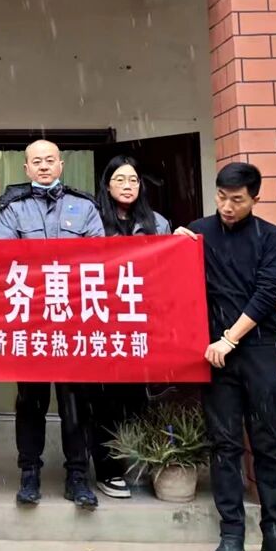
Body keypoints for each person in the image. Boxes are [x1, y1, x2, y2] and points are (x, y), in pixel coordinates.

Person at [174, 162, 276, 551]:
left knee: (268, 443)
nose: (227, 207)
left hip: (259, 349)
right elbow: (174, 280)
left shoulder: (271, 237)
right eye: (221, 197)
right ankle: (231, 533)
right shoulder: (198, 232)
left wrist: (231, 338)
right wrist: (174, 247)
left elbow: (267, 293)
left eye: (237, 200)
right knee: (225, 444)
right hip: (215, 354)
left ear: (255, 199)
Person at [0, 139, 105, 509]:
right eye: (36, 161)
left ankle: (78, 476)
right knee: (30, 401)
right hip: (31, 321)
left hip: (74, 321)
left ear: (61, 165)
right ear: (26, 168)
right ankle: (29, 473)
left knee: (76, 402)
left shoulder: (85, 207)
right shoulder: (12, 209)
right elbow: (8, 260)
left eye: (49, 160)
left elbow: (97, 259)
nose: (43, 166)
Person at [87, 155, 172, 500]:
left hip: (141, 324)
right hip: (102, 322)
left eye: (133, 180)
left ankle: (140, 461)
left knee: (137, 399)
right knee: (103, 401)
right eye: (119, 180)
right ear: (107, 185)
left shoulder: (158, 223)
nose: (127, 186)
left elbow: (167, 270)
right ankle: (107, 469)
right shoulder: (92, 220)